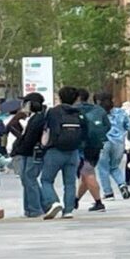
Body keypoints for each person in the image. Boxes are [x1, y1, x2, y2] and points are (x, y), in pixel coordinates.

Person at [40, 86, 88, 220]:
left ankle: (53, 202)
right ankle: (68, 210)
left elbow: (48, 128)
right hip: (73, 151)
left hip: (55, 150)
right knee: (70, 182)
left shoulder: (53, 112)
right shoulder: (79, 112)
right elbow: (85, 132)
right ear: (76, 98)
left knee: (46, 180)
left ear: (60, 97)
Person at [8, 92, 47, 218]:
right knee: (27, 180)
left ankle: (35, 208)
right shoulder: (34, 117)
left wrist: (19, 148)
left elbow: (30, 138)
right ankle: (35, 207)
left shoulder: (38, 118)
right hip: (27, 152)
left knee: (30, 179)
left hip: (31, 152)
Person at [93, 92, 130, 203]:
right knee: (114, 167)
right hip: (119, 143)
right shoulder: (121, 112)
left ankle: (108, 192)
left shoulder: (96, 113)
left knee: (103, 168)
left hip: (103, 143)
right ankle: (122, 185)